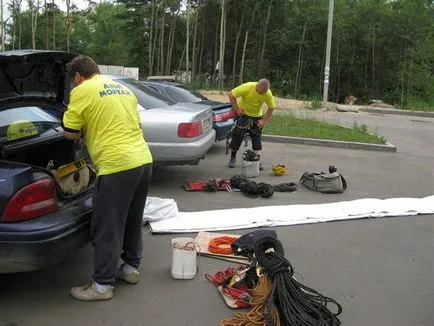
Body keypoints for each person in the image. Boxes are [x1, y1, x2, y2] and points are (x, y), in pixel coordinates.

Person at [62, 55, 153, 301]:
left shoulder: (82, 91)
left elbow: (70, 132)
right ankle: (131, 269)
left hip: (116, 165)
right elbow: (136, 125)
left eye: (74, 81)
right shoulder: (123, 89)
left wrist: (82, 129)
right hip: (143, 160)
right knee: (133, 218)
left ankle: (102, 285)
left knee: (108, 224)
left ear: (78, 77)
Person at [227, 79, 275, 169]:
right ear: (257, 86)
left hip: (257, 115)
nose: (262, 94)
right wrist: (237, 109)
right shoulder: (247, 87)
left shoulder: (267, 93)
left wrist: (263, 121)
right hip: (243, 113)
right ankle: (232, 158)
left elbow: (271, 108)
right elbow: (231, 94)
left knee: (256, 135)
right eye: (260, 92)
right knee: (238, 133)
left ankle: (256, 160)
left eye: (264, 93)